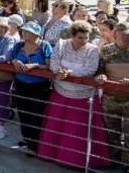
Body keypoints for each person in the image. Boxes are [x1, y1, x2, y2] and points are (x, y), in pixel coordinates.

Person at [38, 21, 111, 168]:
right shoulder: (61, 44)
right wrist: (59, 71)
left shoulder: (93, 50)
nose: (84, 41)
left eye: (86, 37)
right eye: (80, 37)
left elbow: (90, 69)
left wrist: (69, 73)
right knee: (57, 125)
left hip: (83, 95)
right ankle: (52, 154)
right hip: (61, 92)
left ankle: (78, 161)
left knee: (78, 129)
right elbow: (54, 62)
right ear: (72, 36)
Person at [10, 21, 52, 154]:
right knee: (23, 113)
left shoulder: (44, 46)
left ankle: (34, 145)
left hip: (39, 86)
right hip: (21, 83)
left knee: (36, 115)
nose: (24, 33)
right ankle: (27, 139)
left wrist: (35, 65)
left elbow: (49, 65)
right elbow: (11, 58)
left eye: (27, 31)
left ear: (36, 34)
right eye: (23, 30)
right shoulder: (19, 45)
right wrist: (14, 61)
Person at [96, 21, 129, 168]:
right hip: (110, 98)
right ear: (116, 34)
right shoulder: (106, 50)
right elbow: (100, 69)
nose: (127, 38)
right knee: (111, 132)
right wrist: (101, 75)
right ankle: (114, 161)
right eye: (124, 35)